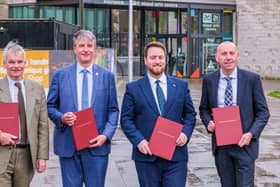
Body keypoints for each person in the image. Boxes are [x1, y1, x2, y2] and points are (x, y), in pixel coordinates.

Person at [47, 30, 119, 187]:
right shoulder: (60, 75)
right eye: (81, 46)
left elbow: (113, 110)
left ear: (95, 49)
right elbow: (50, 106)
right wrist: (61, 117)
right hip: (68, 144)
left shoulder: (107, 76)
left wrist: (106, 135)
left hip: (97, 145)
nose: (85, 49)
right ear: (74, 49)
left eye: (89, 46)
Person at [121, 41, 196, 187]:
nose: (157, 61)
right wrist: (139, 141)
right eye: (153, 57)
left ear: (166, 60)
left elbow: (190, 115)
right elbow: (126, 120)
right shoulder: (133, 89)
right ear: (145, 60)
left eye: (161, 57)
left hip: (176, 156)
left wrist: (186, 133)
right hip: (147, 156)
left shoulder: (181, 86)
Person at [199, 41, 270, 187]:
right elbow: (204, 109)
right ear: (217, 57)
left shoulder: (252, 79)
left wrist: (251, 133)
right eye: (224, 54)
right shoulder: (209, 80)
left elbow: (263, 113)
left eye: (232, 53)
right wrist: (208, 123)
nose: (228, 57)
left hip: (244, 145)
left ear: (238, 56)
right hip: (222, 146)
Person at [0, 41, 49, 186]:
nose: (16, 66)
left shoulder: (37, 89)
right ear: (4, 64)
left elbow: (43, 125)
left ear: (26, 63)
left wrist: (42, 156)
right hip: (1, 153)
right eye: (12, 62)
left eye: (20, 62)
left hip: (26, 155)